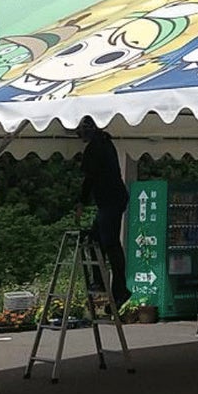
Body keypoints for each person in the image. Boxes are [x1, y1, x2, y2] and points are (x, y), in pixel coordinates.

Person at [76, 118, 130, 306]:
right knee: (97, 239)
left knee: (110, 243)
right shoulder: (106, 143)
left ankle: (118, 289)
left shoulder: (96, 148)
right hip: (113, 199)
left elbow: (89, 179)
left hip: (110, 201)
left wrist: (81, 203)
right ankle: (104, 282)